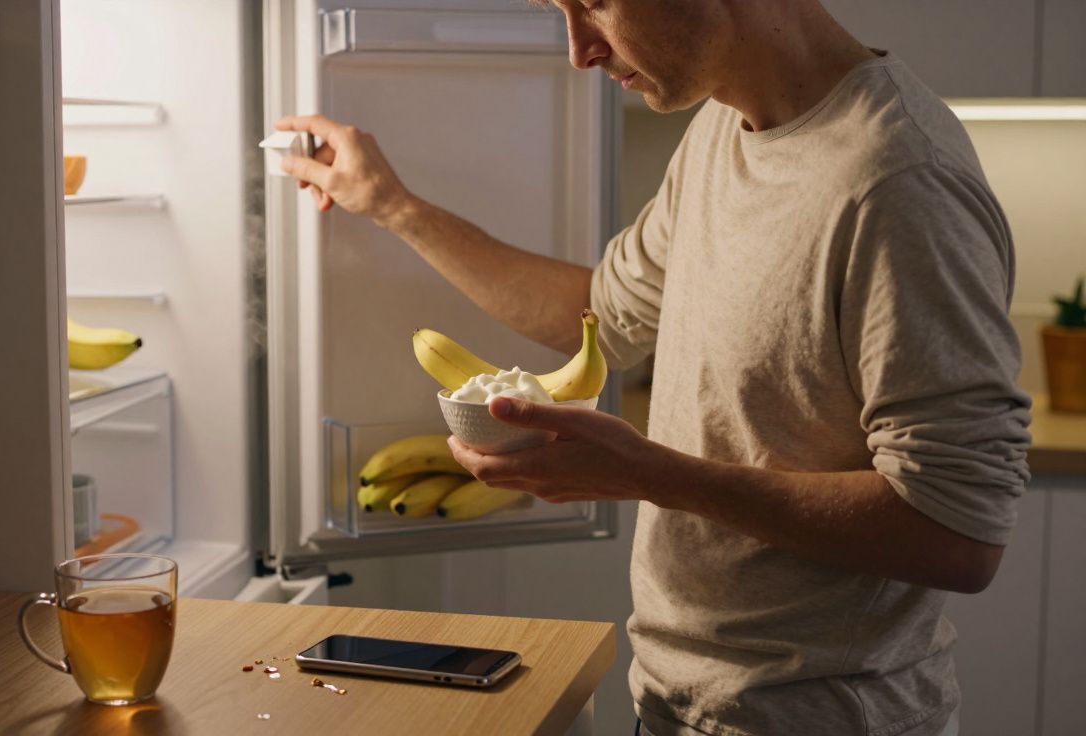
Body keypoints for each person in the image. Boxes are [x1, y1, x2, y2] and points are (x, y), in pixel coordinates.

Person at [274, 0, 1031, 733]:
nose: (580, 49)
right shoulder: (722, 128)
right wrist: (393, 205)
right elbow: (602, 313)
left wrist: (648, 475)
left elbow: (957, 532)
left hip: (820, 715)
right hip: (677, 701)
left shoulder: (899, 182)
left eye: (597, 3)